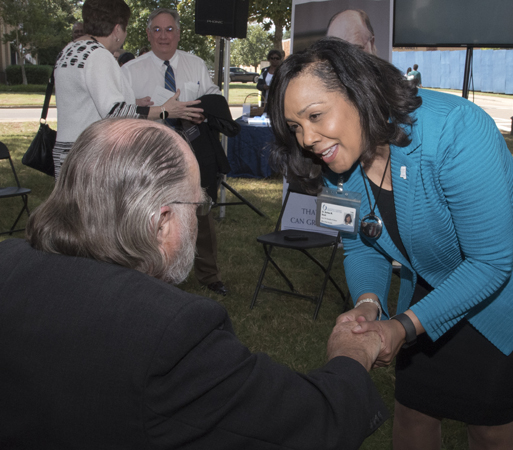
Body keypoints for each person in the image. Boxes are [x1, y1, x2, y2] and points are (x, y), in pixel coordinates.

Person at [0, 118, 389, 449]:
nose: (198, 217)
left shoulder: (8, 263)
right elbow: (314, 424)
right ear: (161, 221)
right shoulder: (169, 332)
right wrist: (351, 354)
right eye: (196, 204)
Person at [268, 38, 513, 450]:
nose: (308, 139)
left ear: (359, 92)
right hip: (437, 267)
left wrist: (403, 325)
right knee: (413, 409)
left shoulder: (457, 131)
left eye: (316, 115)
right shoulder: (332, 164)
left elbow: (490, 263)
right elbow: (360, 246)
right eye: (296, 127)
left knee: (487, 423)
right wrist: (368, 304)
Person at [121, 8, 227, 296]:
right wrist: (140, 106)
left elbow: (214, 95)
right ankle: (151, 271)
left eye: (169, 30)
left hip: (192, 149)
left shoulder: (195, 64)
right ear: (147, 34)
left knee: (199, 211)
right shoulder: (130, 71)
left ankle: (209, 275)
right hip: (149, 153)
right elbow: (118, 113)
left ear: (178, 34)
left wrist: (203, 107)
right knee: (149, 214)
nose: (163, 36)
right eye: (157, 29)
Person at [53, 0, 200, 178]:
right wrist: (164, 111)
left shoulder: (71, 50)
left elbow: (85, 101)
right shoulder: (99, 55)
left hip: (66, 153)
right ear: (117, 30)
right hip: (90, 156)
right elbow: (115, 112)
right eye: (125, 28)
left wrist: (133, 101)